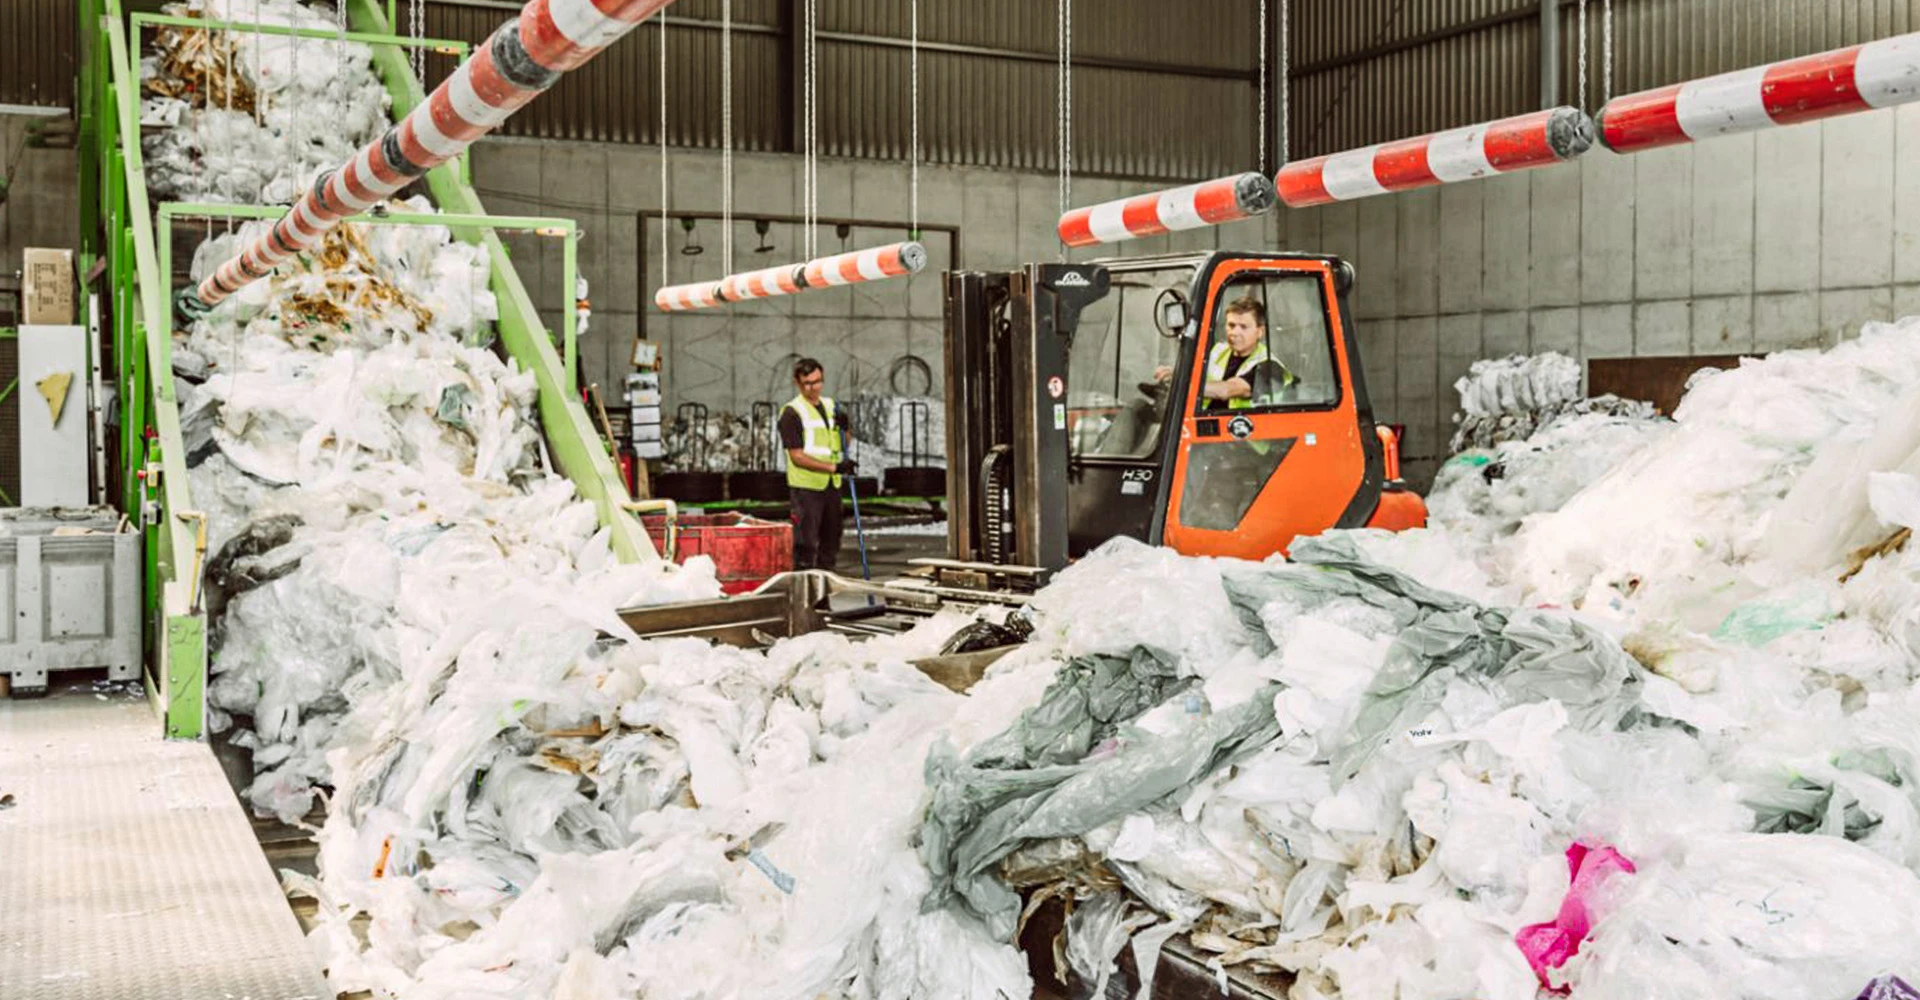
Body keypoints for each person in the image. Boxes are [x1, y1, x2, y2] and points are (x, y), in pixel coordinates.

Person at [778, 357, 856, 571]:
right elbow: (797, 456)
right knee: (806, 545)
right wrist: (834, 468)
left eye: (817, 382)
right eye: (807, 383)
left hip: (832, 486)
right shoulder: (791, 413)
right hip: (806, 489)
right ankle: (804, 588)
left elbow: (844, 442)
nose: (813, 388)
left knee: (831, 541)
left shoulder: (831, 406)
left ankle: (824, 587)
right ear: (797, 382)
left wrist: (845, 428)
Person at [1154, 295, 1293, 408]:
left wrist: (1180, 381)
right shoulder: (1218, 351)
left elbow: (1226, 390)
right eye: (1231, 325)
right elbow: (1194, 375)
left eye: (1243, 327)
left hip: (1245, 433)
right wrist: (1175, 373)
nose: (1235, 332)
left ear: (1260, 331)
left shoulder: (1269, 366)